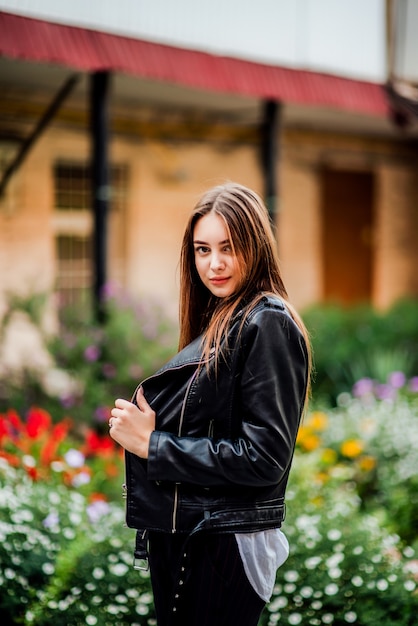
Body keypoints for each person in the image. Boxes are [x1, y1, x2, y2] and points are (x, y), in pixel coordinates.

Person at [109, 182, 311, 626]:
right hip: (199, 538)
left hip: (223, 542)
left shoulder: (266, 321)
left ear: (255, 247)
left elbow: (264, 459)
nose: (214, 264)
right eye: (202, 249)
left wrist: (153, 445)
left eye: (229, 248)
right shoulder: (225, 317)